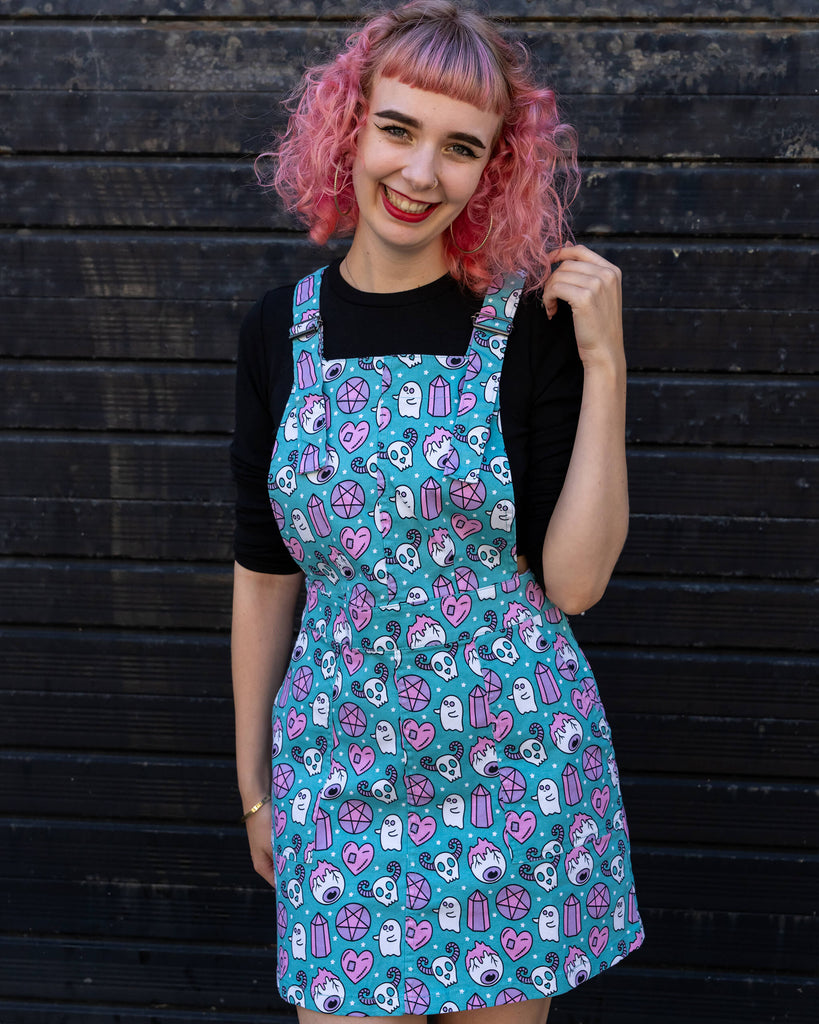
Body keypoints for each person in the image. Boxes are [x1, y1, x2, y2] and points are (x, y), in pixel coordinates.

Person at [230, 2, 644, 1021]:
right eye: (398, 130)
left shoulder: (527, 329)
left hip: (516, 775)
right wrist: (254, 785)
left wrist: (606, 363)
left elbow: (578, 584)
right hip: (341, 774)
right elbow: (261, 571)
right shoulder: (277, 333)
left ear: (493, 170)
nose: (420, 174)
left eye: (460, 148)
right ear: (348, 129)